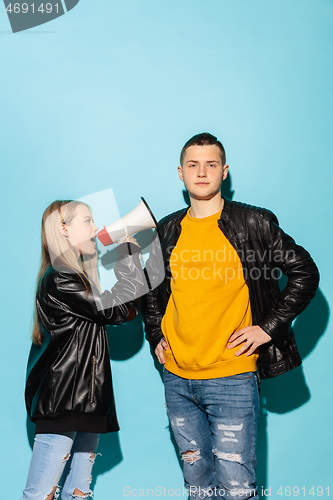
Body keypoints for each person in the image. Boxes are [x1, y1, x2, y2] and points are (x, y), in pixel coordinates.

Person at [141, 133, 319, 500]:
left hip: (231, 377)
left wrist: (267, 329)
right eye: (193, 164)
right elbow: (151, 291)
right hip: (177, 378)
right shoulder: (165, 229)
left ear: (225, 171)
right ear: (180, 173)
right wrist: (156, 335)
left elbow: (305, 273)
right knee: (198, 489)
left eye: (210, 164)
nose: (201, 172)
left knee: (237, 492)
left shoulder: (252, 223)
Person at [21, 199, 145, 500]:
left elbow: (120, 310)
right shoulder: (62, 278)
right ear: (64, 229)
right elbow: (119, 310)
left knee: (79, 493)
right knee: (40, 494)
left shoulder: (73, 277)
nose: (95, 229)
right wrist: (127, 251)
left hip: (85, 400)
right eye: (87, 221)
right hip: (65, 400)